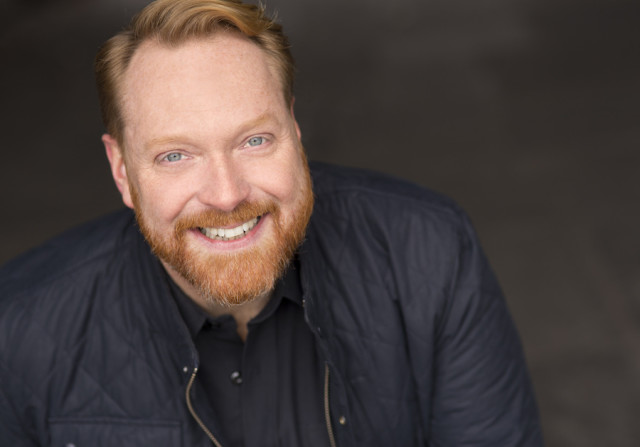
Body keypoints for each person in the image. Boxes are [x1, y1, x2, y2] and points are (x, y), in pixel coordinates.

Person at [0, 0, 543, 445]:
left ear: (295, 132)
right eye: (175, 155)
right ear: (121, 170)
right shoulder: (17, 333)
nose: (226, 194)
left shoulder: (429, 253)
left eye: (255, 140)